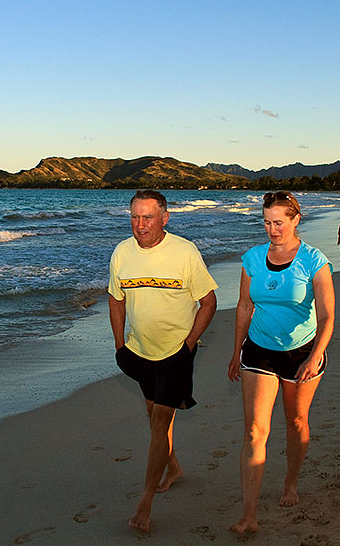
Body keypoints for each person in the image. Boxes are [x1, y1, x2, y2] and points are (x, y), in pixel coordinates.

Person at [109, 189, 218, 532]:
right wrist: (119, 344)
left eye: (148, 217)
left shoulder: (184, 252)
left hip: (176, 352)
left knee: (159, 424)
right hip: (139, 350)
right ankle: (173, 466)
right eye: (135, 217)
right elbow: (116, 299)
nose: (140, 225)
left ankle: (145, 502)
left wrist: (187, 346)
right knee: (152, 414)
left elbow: (209, 301)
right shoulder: (122, 253)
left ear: (164, 218)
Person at [227, 191, 335, 534]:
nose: (271, 230)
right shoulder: (252, 259)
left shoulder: (313, 260)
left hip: (301, 353)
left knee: (296, 421)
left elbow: (327, 314)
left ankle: (290, 482)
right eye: (266, 222)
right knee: (255, 430)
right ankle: (248, 515)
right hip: (258, 350)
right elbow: (245, 306)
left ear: (295, 219)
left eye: (278, 222)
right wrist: (235, 351)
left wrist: (316, 355)